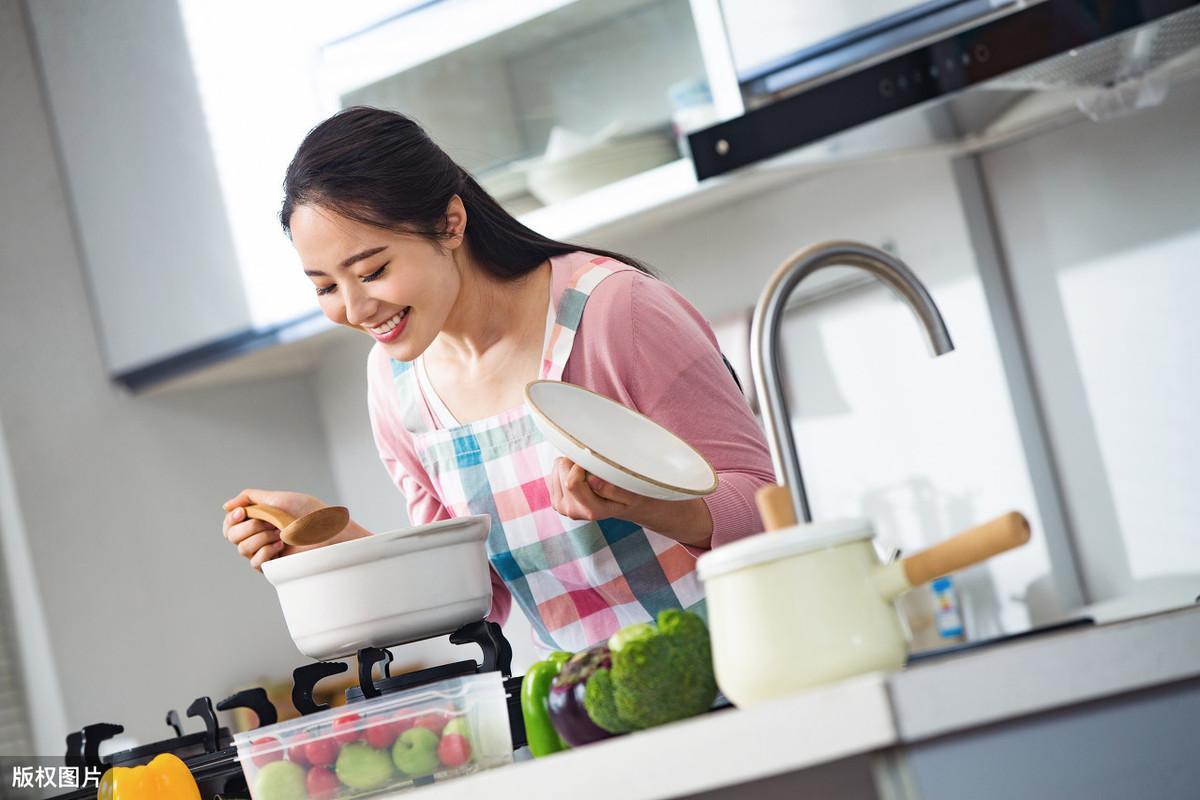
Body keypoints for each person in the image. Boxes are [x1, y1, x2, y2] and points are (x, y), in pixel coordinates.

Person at [222, 107, 775, 652]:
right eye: (325, 287)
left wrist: (646, 504)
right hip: (585, 707)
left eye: (372, 272)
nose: (355, 307)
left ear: (450, 223)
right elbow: (471, 593)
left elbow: (767, 504)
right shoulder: (396, 387)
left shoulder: (617, 312)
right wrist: (327, 542)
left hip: (745, 667)